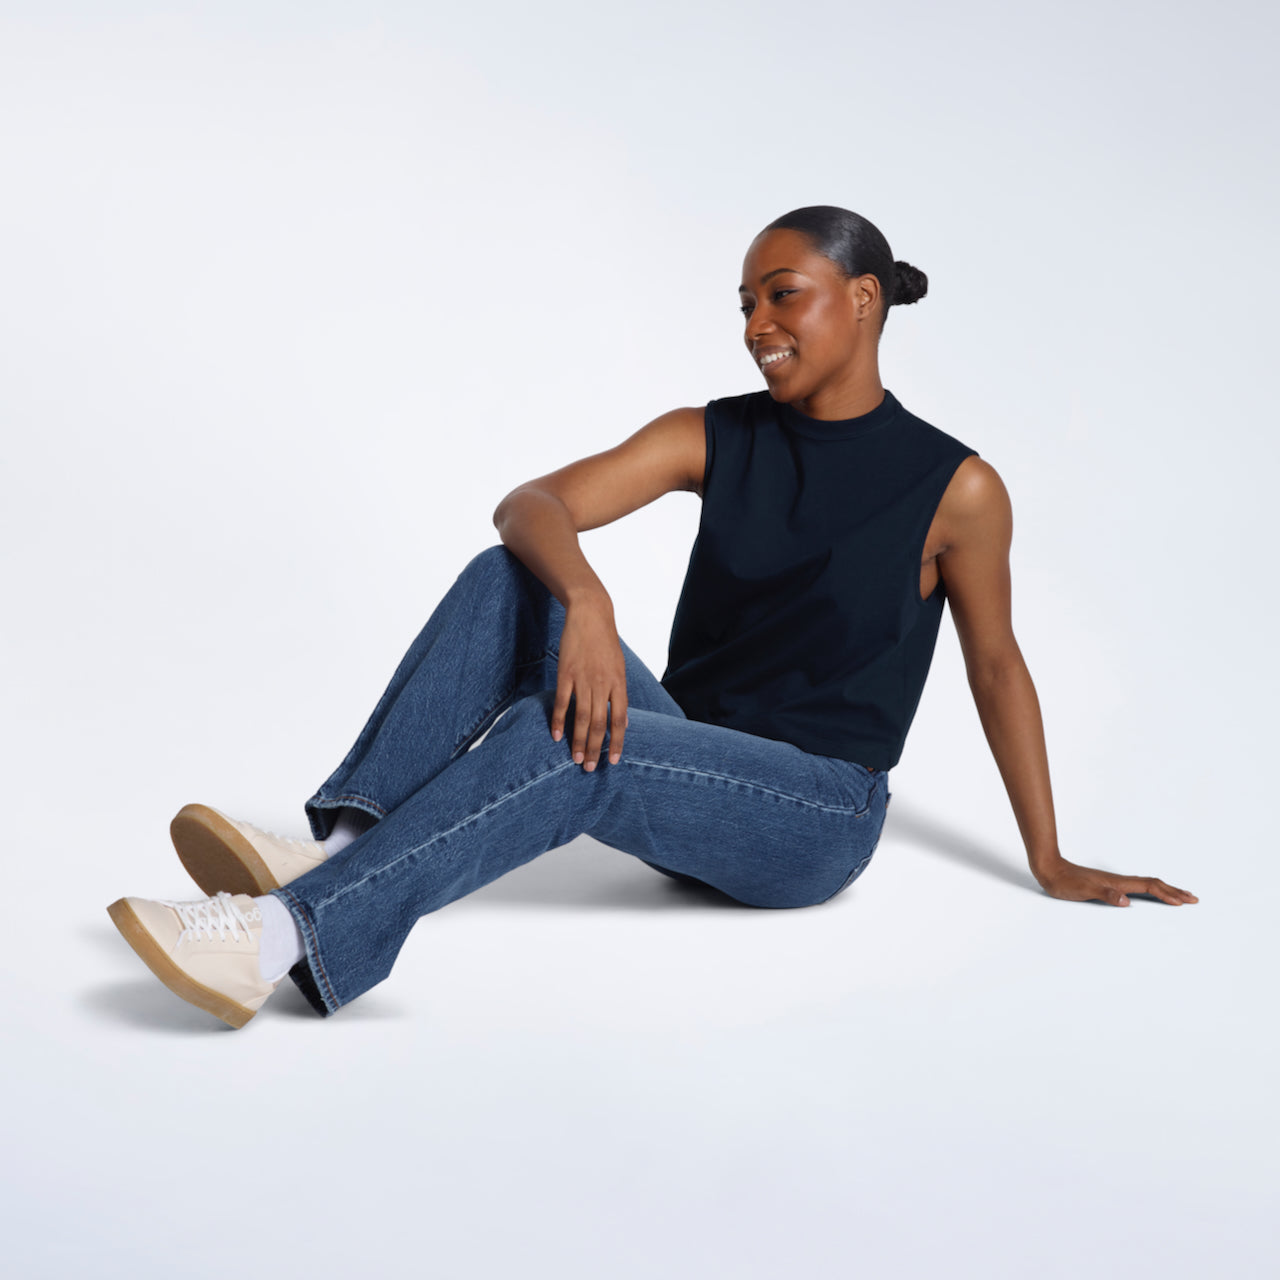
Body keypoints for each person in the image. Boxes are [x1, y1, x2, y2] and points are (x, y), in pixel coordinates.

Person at [106, 205, 1199, 1030]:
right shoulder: (712, 433)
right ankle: (337, 848)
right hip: (678, 746)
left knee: (575, 735)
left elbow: (996, 667)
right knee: (510, 576)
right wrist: (584, 594)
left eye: (782, 296)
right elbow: (530, 505)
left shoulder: (954, 487)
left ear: (862, 298)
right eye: (743, 305)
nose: (754, 327)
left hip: (810, 815)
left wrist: (1048, 857)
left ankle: (276, 937)